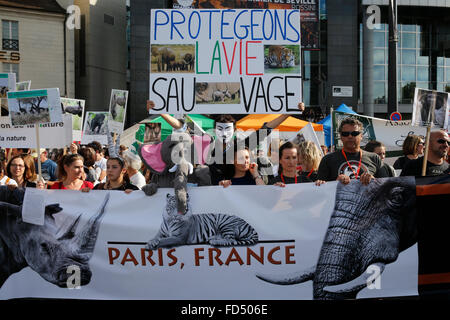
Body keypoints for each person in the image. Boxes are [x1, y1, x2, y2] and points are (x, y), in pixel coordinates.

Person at [147, 100, 306, 185]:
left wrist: (290, 112)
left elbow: (266, 129)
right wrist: (159, 111)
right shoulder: (207, 143)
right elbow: (182, 126)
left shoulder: (241, 146)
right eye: (220, 129)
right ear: (215, 130)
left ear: (235, 130)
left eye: (228, 129)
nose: (224, 133)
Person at [317, 117, 387, 185]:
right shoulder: (328, 160)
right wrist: (335, 183)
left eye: (354, 133)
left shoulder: (374, 158)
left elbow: (387, 185)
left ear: (361, 136)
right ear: (341, 137)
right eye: (345, 134)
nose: (350, 136)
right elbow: (320, 189)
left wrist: (373, 180)